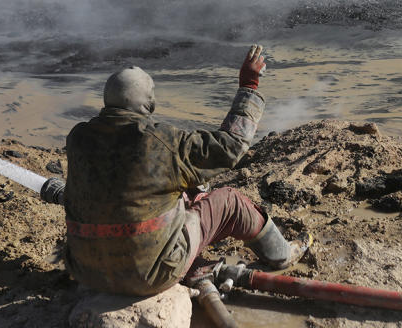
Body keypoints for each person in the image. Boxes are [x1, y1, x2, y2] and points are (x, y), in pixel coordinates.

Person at [62, 45, 308, 296]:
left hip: (86, 271)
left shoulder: (78, 137)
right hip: (150, 274)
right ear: (149, 103)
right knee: (231, 202)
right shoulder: (161, 141)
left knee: (179, 196)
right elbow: (229, 147)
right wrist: (249, 87)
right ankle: (283, 254)